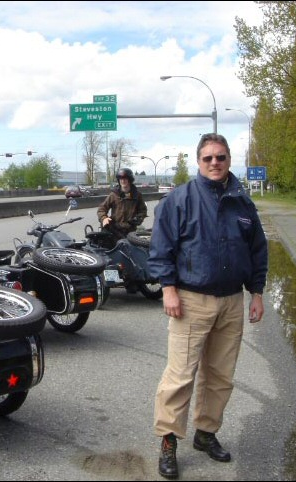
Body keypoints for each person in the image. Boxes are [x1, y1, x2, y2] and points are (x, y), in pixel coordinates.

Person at [148, 133, 268, 480]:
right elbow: (161, 249)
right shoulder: (180, 199)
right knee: (180, 375)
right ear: (199, 161)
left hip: (231, 302)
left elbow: (257, 249)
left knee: (220, 376)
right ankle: (169, 440)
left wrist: (256, 293)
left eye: (221, 157)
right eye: (208, 158)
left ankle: (206, 432)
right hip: (190, 301)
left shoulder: (242, 202)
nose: (215, 163)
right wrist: (168, 289)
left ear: (229, 159)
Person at [97, 167, 148, 240]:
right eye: (121, 179)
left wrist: (138, 218)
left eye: (125, 179)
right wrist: (104, 218)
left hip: (130, 230)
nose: (123, 181)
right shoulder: (114, 194)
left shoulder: (137, 195)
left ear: (130, 180)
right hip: (114, 230)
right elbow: (102, 209)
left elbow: (143, 210)